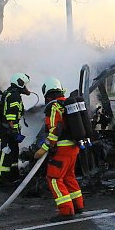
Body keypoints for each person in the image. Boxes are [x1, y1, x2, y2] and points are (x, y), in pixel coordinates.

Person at [34, 77, 84, 221]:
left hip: (61, 150)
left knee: (55, 179)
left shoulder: (53, 107)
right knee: (69, 177)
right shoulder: (67, 104)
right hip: (74, 148)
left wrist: (43, 149)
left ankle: (66, 211)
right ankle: (78, 205)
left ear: (48, 95)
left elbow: (55, 130)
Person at [0, 73, 30, 184]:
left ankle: (13, 175)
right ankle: (2, 178)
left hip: (8, 129)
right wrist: (15, 131)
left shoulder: (11, 93)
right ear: (19, 83)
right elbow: (11, 116)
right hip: (7, 129)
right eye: (24, 85)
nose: (26, 87)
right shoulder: (14, 96)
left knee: (14, 151)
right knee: (7, 151)